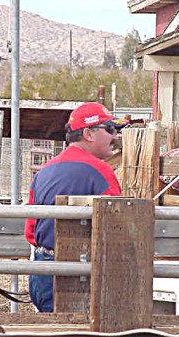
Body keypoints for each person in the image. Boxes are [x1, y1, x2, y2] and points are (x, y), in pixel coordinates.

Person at [24, 102, 126, 312]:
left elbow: (31, 232)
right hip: (81, 274)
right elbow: (119, 230)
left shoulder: (44, 171)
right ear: (88, 133)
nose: (115, 136)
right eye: (109, 129)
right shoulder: (102, 172)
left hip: (43, 271)